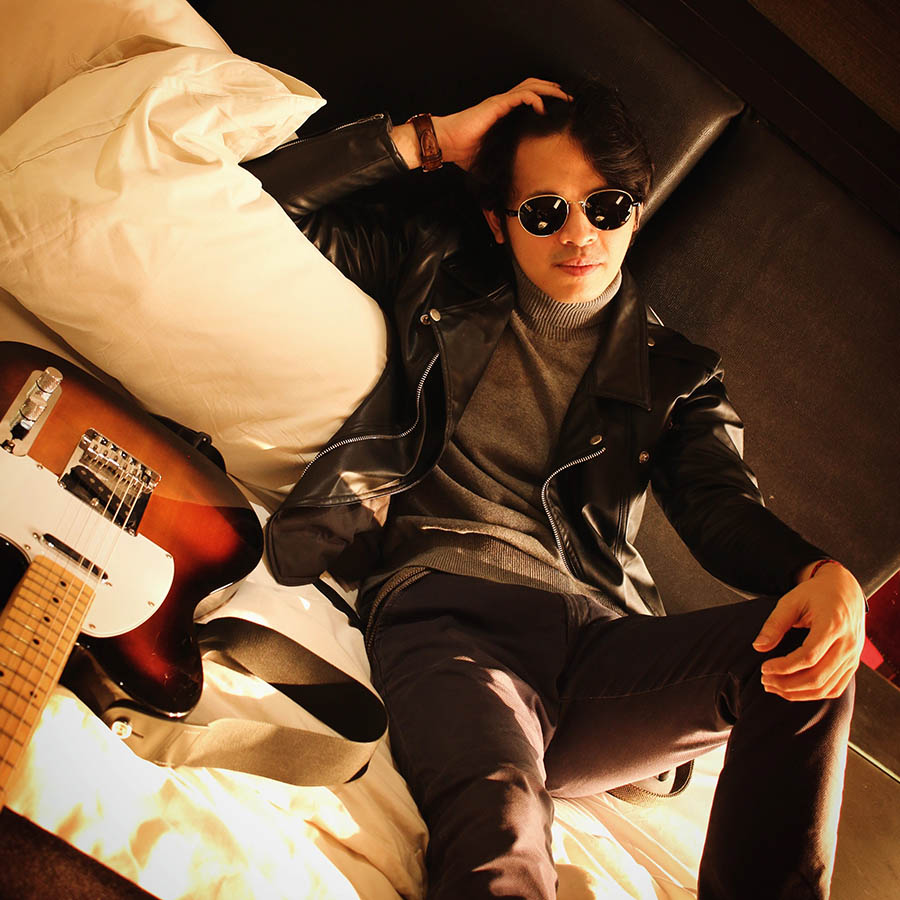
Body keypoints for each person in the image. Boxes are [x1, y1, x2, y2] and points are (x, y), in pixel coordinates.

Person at [244, 77, 866, 900]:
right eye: (544, 212)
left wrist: (818, 571)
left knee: (814, 651)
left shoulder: (676, 374)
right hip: (451, 620)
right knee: (501, 821)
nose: (580, 235)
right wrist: (431, 140)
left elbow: (720, 505)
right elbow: (251, 204)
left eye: (605, 208)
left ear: (634, 213)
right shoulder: (433, 270)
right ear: (498, 222)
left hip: (603, 653)